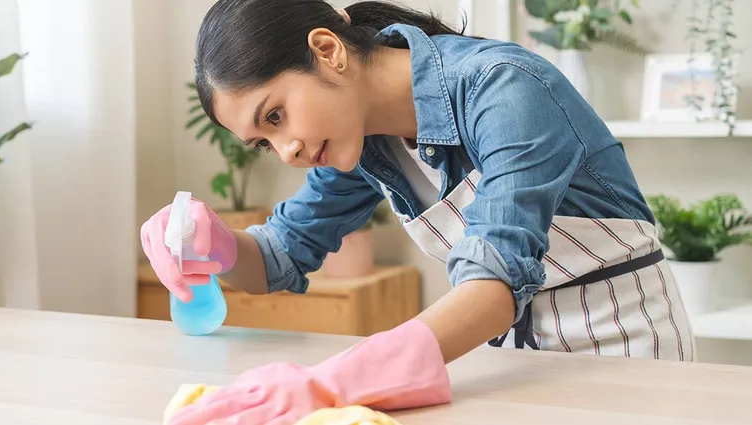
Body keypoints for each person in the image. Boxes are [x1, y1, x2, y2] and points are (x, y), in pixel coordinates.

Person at [140, 0, 695, 423]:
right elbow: (281, 255)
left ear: (328, 51)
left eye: (277, 115)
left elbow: (493, 285)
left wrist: (326, 385)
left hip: (622, 342)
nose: (287, 152)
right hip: (506, 362)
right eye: (263, 142)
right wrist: (215, 245)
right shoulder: (361, 138)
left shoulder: (504, 87)